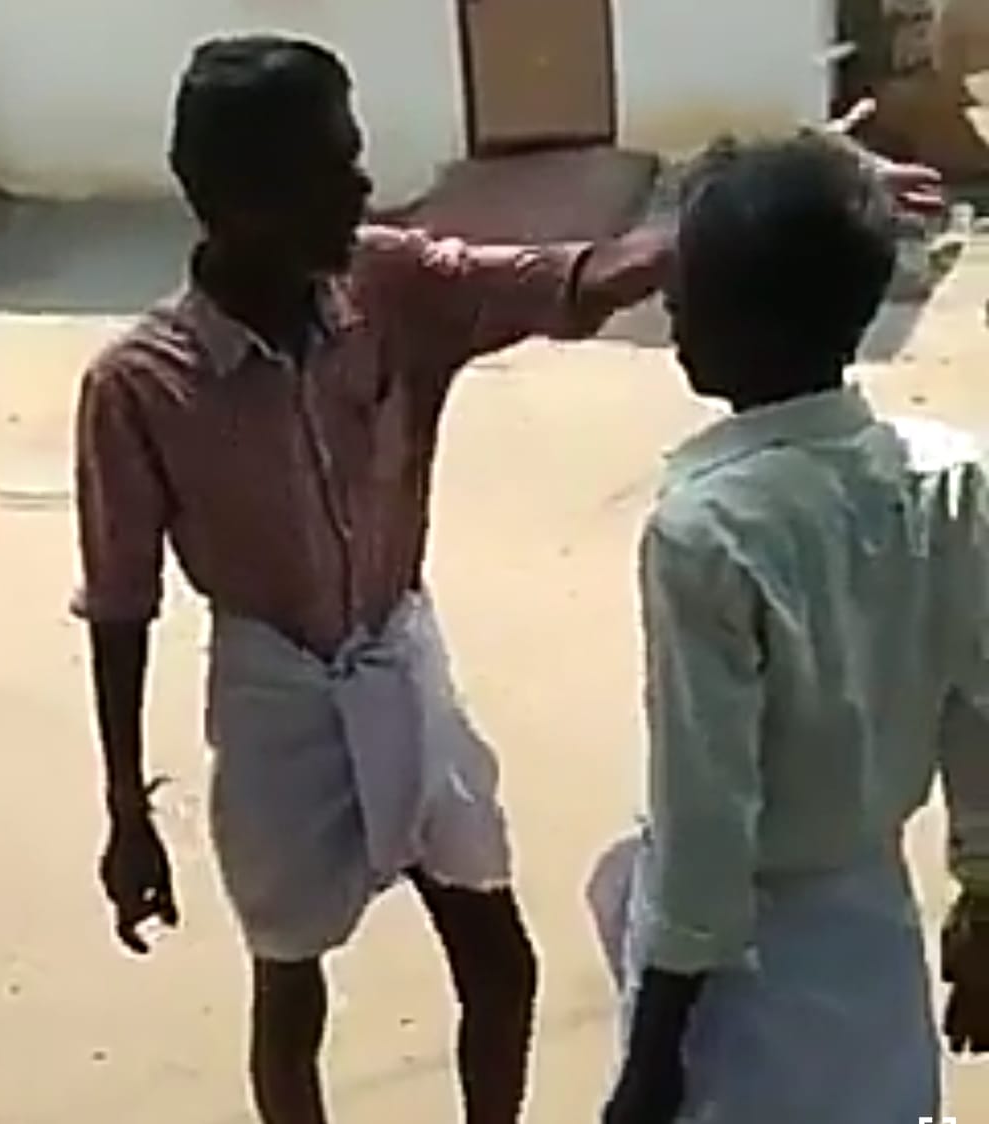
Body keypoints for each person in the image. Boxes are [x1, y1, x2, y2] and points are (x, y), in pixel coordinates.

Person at [75, 34, 943, 1124]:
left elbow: (565, 283)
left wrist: (791, 207)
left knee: (497, 959)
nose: (362, 185)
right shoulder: (140, 385)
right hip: (270, 698)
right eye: (332, 166)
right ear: (238, 198)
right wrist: (126, 809)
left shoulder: (389, 284)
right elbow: (122, 603)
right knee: (289, 982)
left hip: (400, 656)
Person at [589, 133, 988, 1124]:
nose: (669, 303)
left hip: (747, 984)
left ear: (752, 321)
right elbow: (979, 713)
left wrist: (651, 1059)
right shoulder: (950, 478)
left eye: (689, 285)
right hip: (871, 934)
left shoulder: (706, 531)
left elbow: (707, 824)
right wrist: (983, 896)